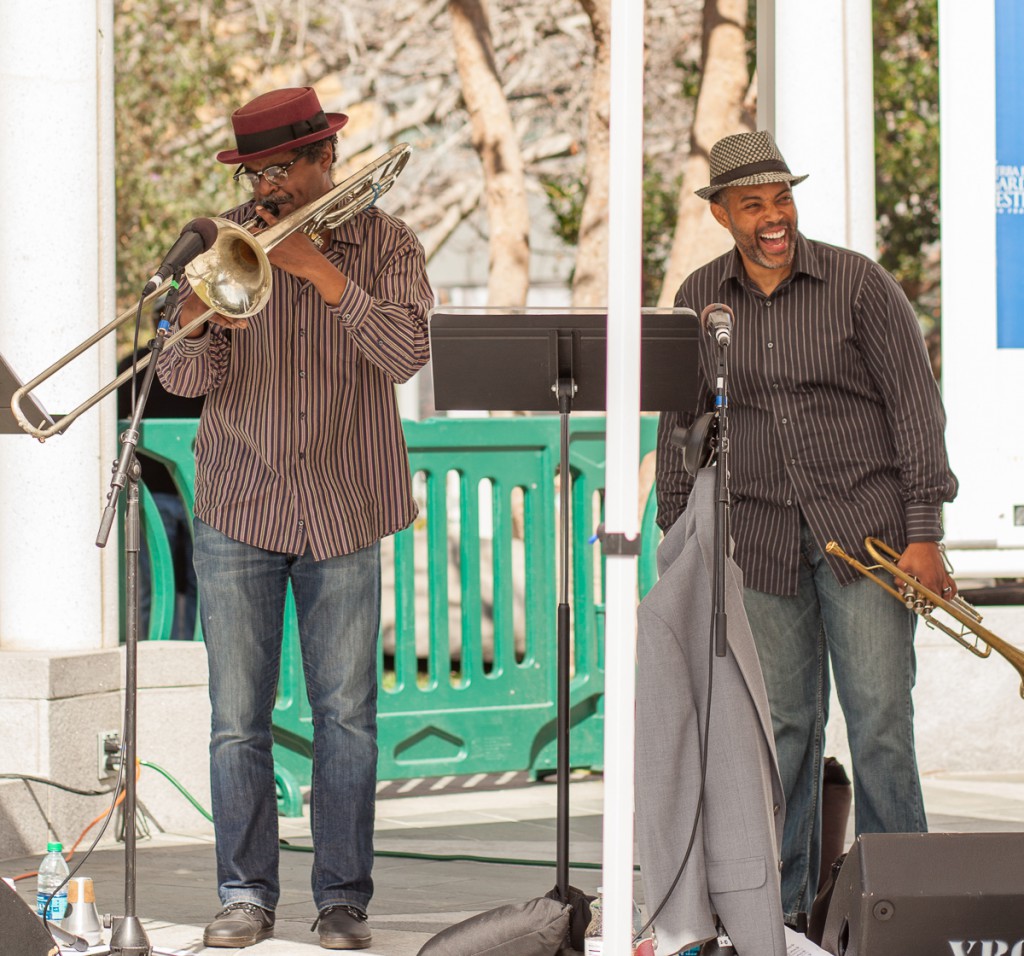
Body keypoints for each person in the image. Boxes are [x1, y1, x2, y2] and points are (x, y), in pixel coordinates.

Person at [655, 130, 959, 925]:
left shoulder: (858, 285)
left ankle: (911, 910)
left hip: (870, 541)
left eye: (782, 198)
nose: (773, 216)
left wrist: (925, 532)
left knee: (882, 730)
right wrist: (674, 539)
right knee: (782, 733)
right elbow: (679, 425)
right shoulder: (699, 298)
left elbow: (916, 412)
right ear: (722, 214)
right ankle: (783, 919)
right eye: (752, 203)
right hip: (756, 544)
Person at [157, 86, 433, 950]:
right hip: (242, 502)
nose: (269, 187)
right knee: (236, 717)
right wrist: (194, 325)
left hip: (346, 505)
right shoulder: (218, 246)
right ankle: (244, 894)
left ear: (324, 160)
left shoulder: (388, 243)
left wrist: (324, 274)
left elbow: (406, 354)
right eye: (257, 171)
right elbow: (184, 383)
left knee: (345, 717)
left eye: (284, 168)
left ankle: (342, 900)